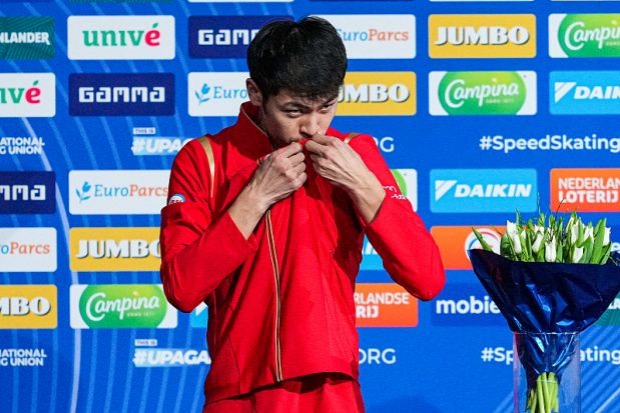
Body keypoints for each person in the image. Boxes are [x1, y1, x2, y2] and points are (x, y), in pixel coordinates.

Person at [159, 16, 445, 413]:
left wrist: (363, 187)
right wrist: (254, 198)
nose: (312, 127)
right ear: (255, 93)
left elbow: (428, 279)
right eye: (294, 111)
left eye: (326, 107)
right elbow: (182, 288)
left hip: (332, 390)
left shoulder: (355, 155)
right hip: (240, 395)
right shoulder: (203, 159)